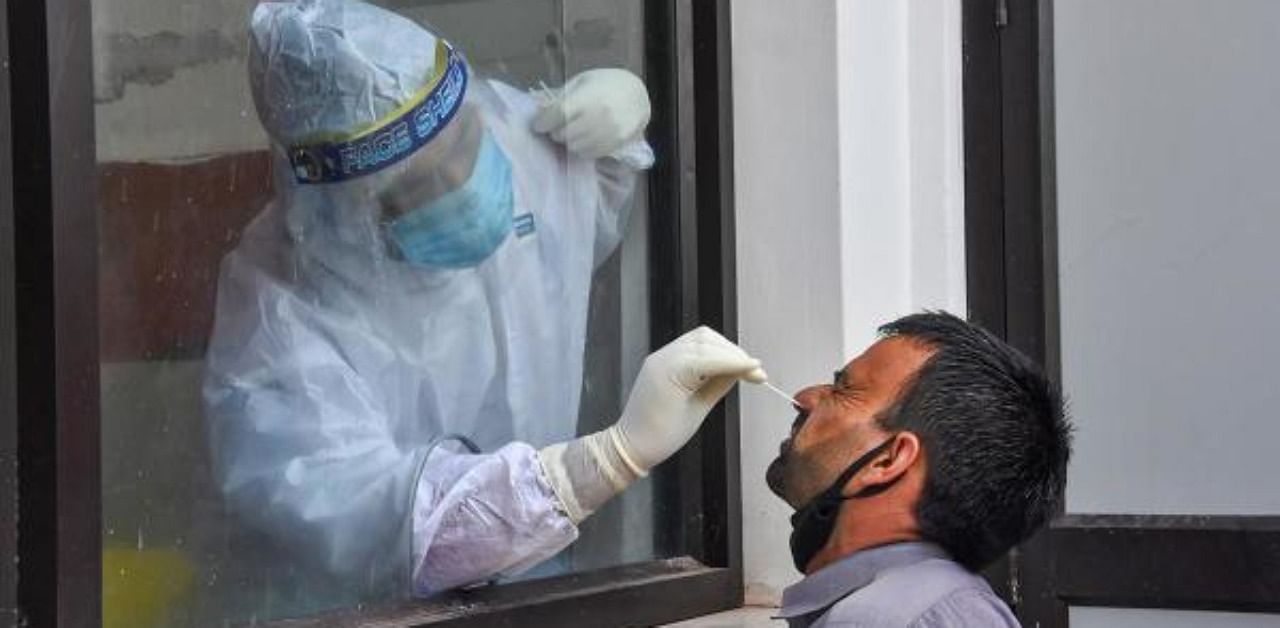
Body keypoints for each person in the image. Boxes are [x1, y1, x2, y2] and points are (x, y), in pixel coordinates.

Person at [203, 0, 765, 599]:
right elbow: (390, 525)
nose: (463, 186)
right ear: (339, 210)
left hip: (544, 584)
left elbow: (582, 214)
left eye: (466, 145)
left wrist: (623, 128)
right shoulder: (277, 327)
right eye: (418, 188)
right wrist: (603, 463)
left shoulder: (493, 130)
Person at [767, 312, 1072, 627]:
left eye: (844, 389)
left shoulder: (880, 618)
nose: (804, 398)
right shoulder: (943, 606)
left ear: (888, 460)